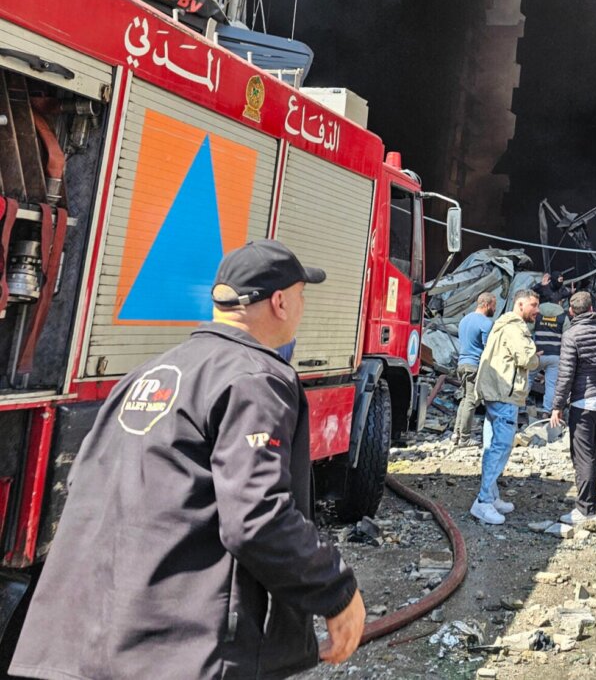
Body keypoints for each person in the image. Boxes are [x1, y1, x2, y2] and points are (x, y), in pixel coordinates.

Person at [12, 240, 365, 678]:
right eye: (300, 294)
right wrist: (336, 590)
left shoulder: (147, 374)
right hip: (182, 654)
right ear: (279, 302)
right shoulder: (255, 378)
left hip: (87, 646)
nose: (302, 305)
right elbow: (257, 518)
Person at [471, 289, 541, 525]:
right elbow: (526, 359)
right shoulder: (515, 328)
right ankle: (482, 502)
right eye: (533, 305)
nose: (537, 310)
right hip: (505, 395)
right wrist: (535, 356)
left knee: (492, 446)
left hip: (495, 392)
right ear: (520, 304)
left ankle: (491, 496)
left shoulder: (501, 324)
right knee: (500, 447)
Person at [549, 291, 596, 526]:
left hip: (583, 401)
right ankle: (590, 502)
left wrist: (557, 405)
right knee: (594, 450)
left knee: (583, 455)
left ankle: (585, 508)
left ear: (571, 312)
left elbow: (566, 374)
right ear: (592, 309)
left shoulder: (571, 335)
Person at [454, 292, 497, 445]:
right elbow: (488, 349)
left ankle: (456, 435)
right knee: (471, 400)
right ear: (486, 305)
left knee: (465, 398)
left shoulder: (464, 320)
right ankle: (465, 438)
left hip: (462, 363)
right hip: (474, 364)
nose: (495, 309)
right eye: (494, 305)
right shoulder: (486, 323)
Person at [532, 299, 565, 413]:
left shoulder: (537, 315)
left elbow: (528, 331)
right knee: (551, 385)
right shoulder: (562, 317)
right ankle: (547, 411)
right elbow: (567, 335)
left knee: (527, 380)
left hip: (537, 355)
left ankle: (520, 407)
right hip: (555, 355)